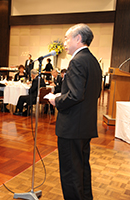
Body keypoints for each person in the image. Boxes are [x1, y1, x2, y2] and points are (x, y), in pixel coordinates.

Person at [48, 24, 102, 200]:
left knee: (71, 173)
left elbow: (75, 95)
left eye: (66, 38)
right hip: (84, 125)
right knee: (82, 168)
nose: (64, 42)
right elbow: (93, 93)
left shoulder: (77, 61)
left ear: (78, 39)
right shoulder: (93, 61)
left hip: (72, 128)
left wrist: (56, 100)